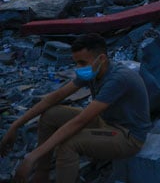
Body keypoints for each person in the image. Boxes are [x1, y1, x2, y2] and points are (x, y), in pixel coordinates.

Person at [1, 33, 151, 183]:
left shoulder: (118, 79)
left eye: (82, 62)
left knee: (68, 145)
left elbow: (80, 121)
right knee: (51, 114)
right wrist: (16, 125)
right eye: (76, 63)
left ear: (102, 59)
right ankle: (42, 174)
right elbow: (54, 97)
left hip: (128, 136)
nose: (78, 68)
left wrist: (33, 156)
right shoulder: (93, 71)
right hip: (106, 122)